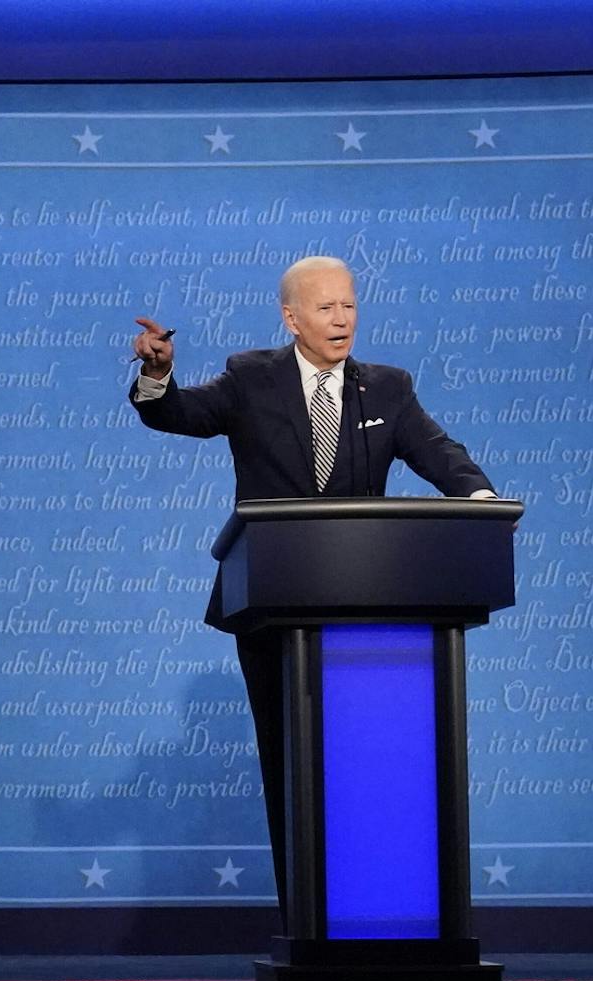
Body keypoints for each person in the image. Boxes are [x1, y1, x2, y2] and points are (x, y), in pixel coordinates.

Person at [128, 255, 495, 921]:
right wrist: (157, 375)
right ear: (291, 318)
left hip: (371, 614)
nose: (341, 318)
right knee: (291, 762)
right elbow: (180, 413)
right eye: (325, 308)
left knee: (368, 772)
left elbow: (441, 454)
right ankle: (306, 916)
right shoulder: (250, 378)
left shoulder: (387, 388)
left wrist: (481, 498)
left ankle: (382, 914)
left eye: (349, 305)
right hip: (272, 604)